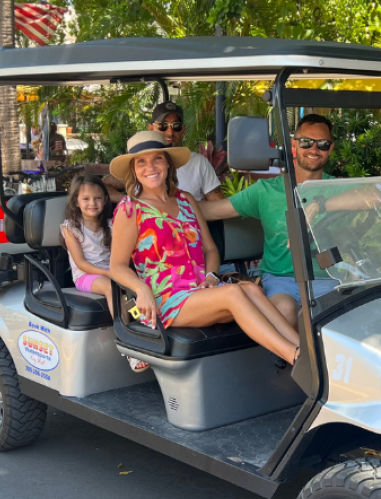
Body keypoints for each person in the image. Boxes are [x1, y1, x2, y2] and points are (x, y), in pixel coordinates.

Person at [109, 131, 300, 366]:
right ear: (134, 170)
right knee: (233, 292)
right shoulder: (131, 209)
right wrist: (141, 289)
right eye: (141, 162)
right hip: (166, 299)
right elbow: (117, 266)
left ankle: (305, 351)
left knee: (251, 290)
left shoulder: (186, 200)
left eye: (157, 158)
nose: (150, 167)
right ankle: (296, 358)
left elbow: (210, 249)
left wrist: (211, 275)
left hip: (201, 290)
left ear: (168, 164)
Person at [199, 113, 344, 327]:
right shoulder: (267, 190)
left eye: (322, 144)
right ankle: (295, 359)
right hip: (281, 279)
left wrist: (319, 205)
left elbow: (375, 196)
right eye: (306, 142)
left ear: (330, 149)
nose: (314, 149)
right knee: (284, 311)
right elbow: (212, 211)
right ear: (294, 145)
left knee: (330, 320)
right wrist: (163, 203)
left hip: (328, 278)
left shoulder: (338, 188)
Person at [106, 101, 226, 203]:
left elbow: (218, 204)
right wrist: (133, 203)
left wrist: (187, 211)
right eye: (163, 126)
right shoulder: (139, 168)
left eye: (176, 126)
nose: (170, 132)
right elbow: (99, 186)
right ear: (151, 128)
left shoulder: (198, 163)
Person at [61, 175, 115, 312]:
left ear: (105, 200)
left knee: (133, 287)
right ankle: (123, 328)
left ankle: (138, 321)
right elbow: (80, 263)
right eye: (86, 199)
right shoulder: (71, 228)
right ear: (76, 202)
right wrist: (108, 273)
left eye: (97, 198)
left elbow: (117, 256)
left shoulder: (111, 225)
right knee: (111, 287)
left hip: (111, 272)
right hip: (85, 276)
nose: (92, 203)